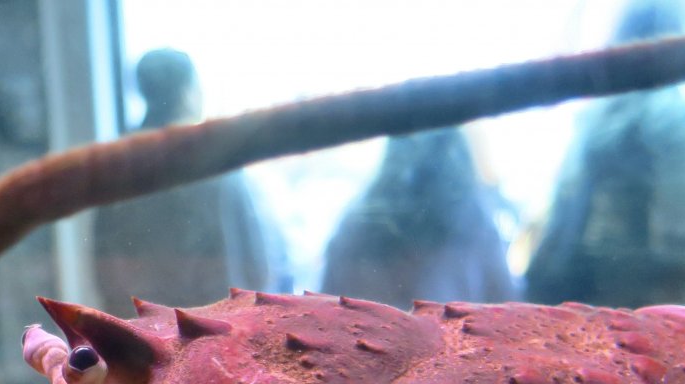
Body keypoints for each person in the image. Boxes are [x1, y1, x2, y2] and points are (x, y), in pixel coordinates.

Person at [524, 0, 685, 310]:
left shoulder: (593, 118)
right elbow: (682, 241)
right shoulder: (680, 118)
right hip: (644, 306)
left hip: (576, 300)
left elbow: (555, 232)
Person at [90, 49, 278, 316]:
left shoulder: (117, 164)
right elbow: (256, 267)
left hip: (137, 332)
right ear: (188, 91)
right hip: (212, 332)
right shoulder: (216, 162)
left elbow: (104, 271)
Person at [320, 128, 518, 307]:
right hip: (447, 344)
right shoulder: (477, 227)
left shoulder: (354, 225)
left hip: (362, 342)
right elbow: (507, 310)